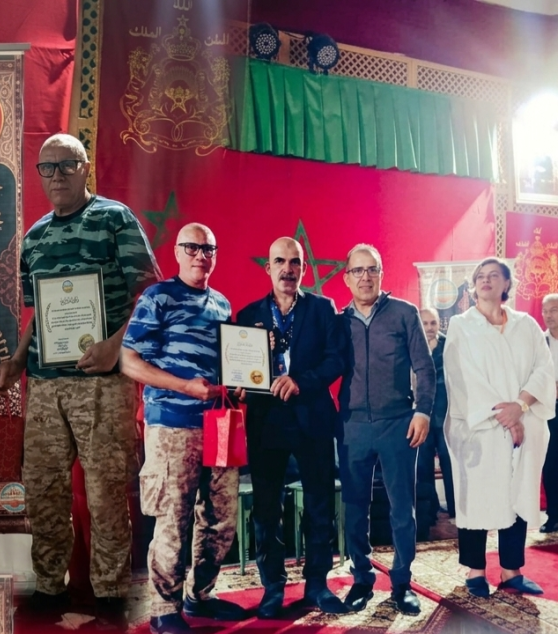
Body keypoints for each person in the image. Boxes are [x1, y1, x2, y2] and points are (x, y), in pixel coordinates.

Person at [0, 133, 161, 626]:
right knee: (42, 490)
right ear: (39, 175)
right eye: (48, 167)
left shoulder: (114, 219)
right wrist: (17, 361)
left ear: (85, 168)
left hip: (102, 384)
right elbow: (40, 315)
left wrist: (116, 347)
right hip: (45, 385)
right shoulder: (35, 237)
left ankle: (109, 592)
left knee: (106, 491)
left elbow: (151, 296)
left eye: (67, 164)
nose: (57, 175)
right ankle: (50, 584)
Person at [121, 223, 245, 634]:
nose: (200, 255)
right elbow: (128, 362)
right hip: (173, 425)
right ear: (176, 252)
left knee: (221, 519)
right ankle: (164, 609)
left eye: (208, 249)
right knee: (173, 520)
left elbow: (229, 363)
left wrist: (240, 382)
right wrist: (185, 387)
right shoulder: (158, 297)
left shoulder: (222, 304)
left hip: (220, 424)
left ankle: (200, 596)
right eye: (192, 247)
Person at [234, 237, 347, 617]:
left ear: (303, 268)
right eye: (280, 261)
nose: (288, 269)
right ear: (268, 268)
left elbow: (336, 360)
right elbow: (238, 370)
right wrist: (238, 385)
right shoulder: (248, 315)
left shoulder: (322, 308)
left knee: (319, 506)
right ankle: (273, 588)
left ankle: (317, 584)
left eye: (295, 261)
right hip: (266, 422)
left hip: (312, 419)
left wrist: (300, 381)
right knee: (267, 510)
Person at [444, 258, 555, 598]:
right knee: (476, 495)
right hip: (479, 427)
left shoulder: (526, 325)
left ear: (507, 283)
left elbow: (543, 369)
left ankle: (511, 570)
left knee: (516, 494)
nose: (486, 280)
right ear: (473, 284)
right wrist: (503, 416)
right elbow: (462, 376)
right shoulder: (462, 325)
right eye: (480, 276)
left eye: (494, 275)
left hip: (525, 422)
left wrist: (520, 407)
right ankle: (475, 570)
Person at [338, 244, 434, 616]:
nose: (365, 277)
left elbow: (425, 367)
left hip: (398, 424)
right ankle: (362, 579)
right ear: (346, 278)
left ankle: (402, 582)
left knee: (402, 509)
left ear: (381, 274)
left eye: (372, 269)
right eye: (358, 270)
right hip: (352, 426)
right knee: (354, 508)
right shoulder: (338, 321)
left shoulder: (405, 313)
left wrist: (422, 411)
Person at [416, 307, 455, 521]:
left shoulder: (449, 344)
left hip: (447, 415)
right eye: (425, 323)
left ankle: (456, 510)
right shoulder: (412, 344)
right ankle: (428, 511)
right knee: (423, 465)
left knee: (450, 463)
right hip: (421, 416)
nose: (429, 328)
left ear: (439, 324)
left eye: (433, 323)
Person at [540, 294, 558, 534]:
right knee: (551, 464)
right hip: (548, 410)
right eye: (545, 311)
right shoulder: (540, 342)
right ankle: (553, 515)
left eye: (553, 310)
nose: (548, 315)